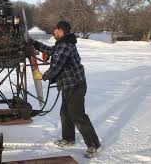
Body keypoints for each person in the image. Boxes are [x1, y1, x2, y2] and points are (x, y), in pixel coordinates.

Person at [30, 21, 102, 158]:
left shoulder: (65, 46)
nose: (53, 32)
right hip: (68, 85)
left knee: (78, 116)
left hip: (75, 86)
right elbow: (51, 51)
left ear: (60, 31)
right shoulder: (61, 44)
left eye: (54, 30)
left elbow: (56, 68)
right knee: (65, 113)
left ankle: (94, 144)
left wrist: (43, 76)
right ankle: (68, 139)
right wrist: (35, 44)